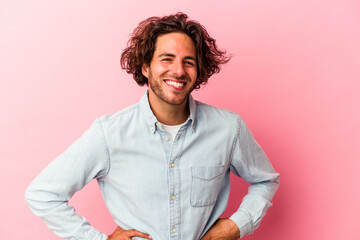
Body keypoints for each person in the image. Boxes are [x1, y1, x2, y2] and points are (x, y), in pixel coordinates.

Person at [25, 12, 279, 240]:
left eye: (188, 62)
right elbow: (42, 195)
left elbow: (265, 181)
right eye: (167, 59)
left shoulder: (229, 128)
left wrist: (237, 225)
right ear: (146, 67)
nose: (178, 70)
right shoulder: (109, 134)